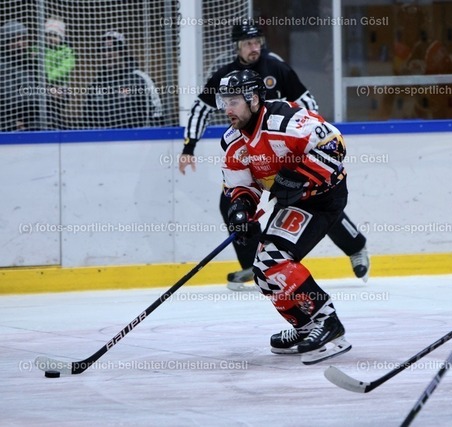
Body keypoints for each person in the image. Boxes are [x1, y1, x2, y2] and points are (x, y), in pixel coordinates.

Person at [179, 20, 369, 291]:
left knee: (315, 200)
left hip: (289, 150)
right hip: (258, 153)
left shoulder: (276, 67)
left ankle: (355, 246)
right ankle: (252, 262)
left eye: (257, 42)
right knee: (233, 204)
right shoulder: (225, 76)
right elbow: (201, 107)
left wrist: (310, 136)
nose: (254, 48)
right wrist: (189, 147)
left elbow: (307, 103)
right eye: (248, 43)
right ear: (237, 46)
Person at [216, 69, 353, 364]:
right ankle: (305, 326)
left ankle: (328, 322)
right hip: (294, 203)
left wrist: (299, 177)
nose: (227, 109)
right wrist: (240, 208)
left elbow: (334, 144)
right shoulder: (233, 141)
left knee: (275, 259)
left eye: (233, 101)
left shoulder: (285, 120)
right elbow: (241, 185)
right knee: (262, 271)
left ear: (253, 99)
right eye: (224, 102)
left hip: (323, 197)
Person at [84, 30, 163, 129]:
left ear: (122, 52)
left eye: (112, 49)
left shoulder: (140, 80)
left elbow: (157, 114)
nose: (107, 54)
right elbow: (88, 120)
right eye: (103, 50)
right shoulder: (96, 84)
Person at [0, 20, 42, 131]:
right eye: (14, 40)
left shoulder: (32, 62)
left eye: (23, 39)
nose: (20, 44)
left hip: (34, 119)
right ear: (5, 42)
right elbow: (9, 99)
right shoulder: (3, 65)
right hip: (7, 122)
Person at [44, 18, 76, 129]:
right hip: (44, 85)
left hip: (60, 86)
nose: (51, 38)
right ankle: (49, 123)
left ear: (61, 38)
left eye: (55, 36)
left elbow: (66, 67)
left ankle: (56, 124)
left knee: (54, 109)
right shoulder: (41, 49)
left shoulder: (66, 51)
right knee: (46, 109)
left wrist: (49, 76)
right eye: (49, 35)